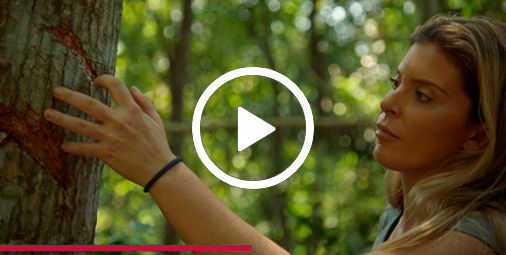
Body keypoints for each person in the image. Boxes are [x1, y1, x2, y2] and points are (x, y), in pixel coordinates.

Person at [43, 14, 505, 255]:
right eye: (396, 82)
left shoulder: (471, 241)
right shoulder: (405, 211)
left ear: (477, 136)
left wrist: (160, 170)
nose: (389, 103)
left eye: (423, 96)